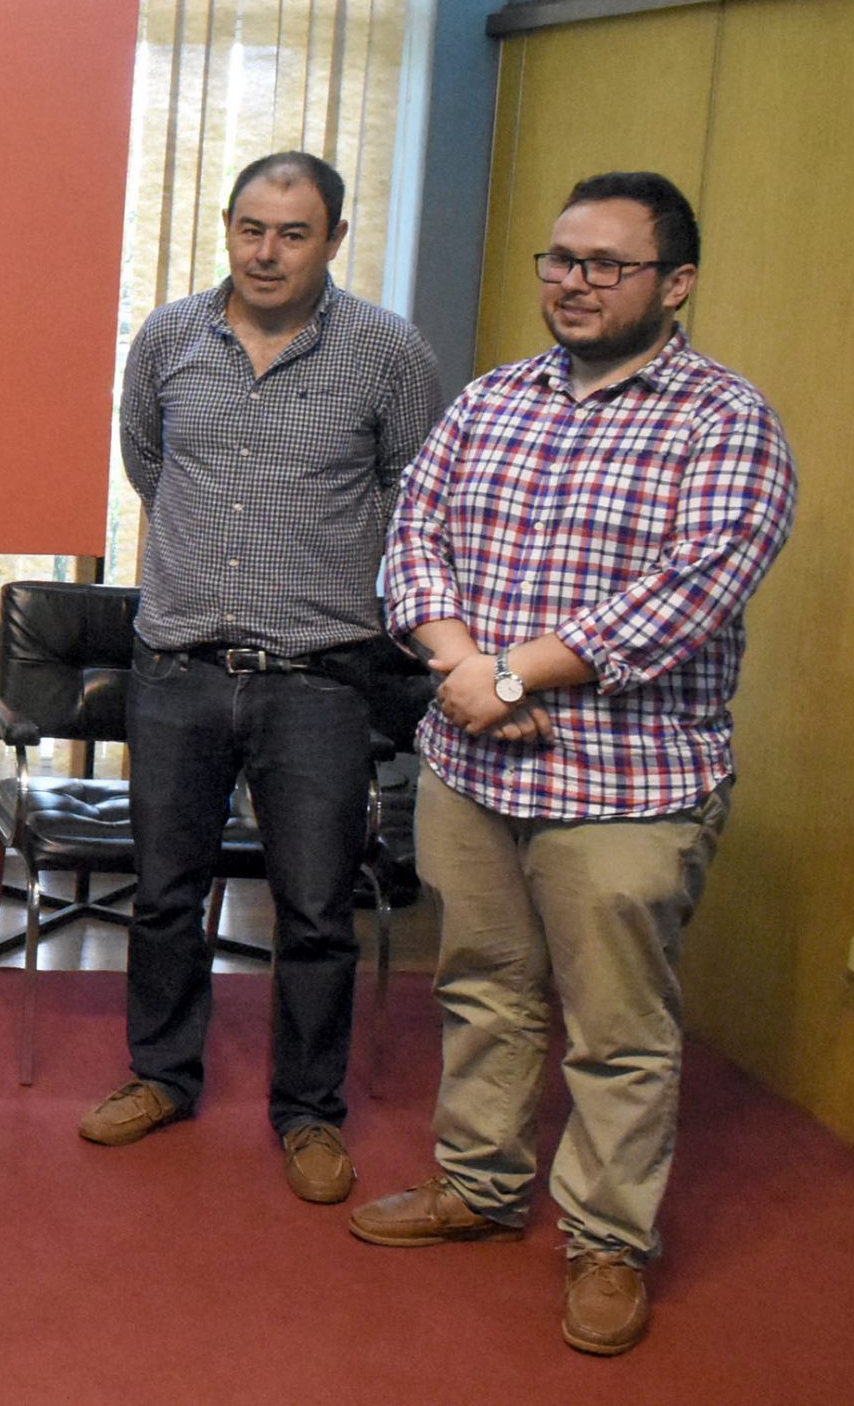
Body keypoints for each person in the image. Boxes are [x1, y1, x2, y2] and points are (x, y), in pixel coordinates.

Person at [351, 172, 795, 1356]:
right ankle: (480, 1184)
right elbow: (412, 540)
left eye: (606, 263)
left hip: (627, 784)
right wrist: (465, 670)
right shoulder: (490, 397)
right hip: (471, 766)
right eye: (560, 259)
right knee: (482, 985)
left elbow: (689, 594)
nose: (573, 281)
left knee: (616, 1027)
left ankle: (607, 1239)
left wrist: (511, 676)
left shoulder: (724, 419)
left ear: (675, 282)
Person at [79, 152, 441, 1204]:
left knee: (316, 908)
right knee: (164, 894)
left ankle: (309, 1111)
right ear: (227, 227)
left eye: (292, 232)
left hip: (319, 678)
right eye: (250, 228)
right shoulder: (167, 338)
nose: (266, 251)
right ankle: (161, 1074)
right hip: (177, 667)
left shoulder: (387, 353)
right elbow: (149, 466)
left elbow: (414, 495)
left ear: (333, 239)